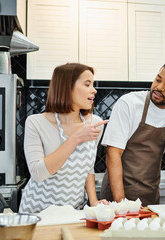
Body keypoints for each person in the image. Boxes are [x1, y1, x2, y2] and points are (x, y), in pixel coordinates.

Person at [19, 63, 108, 213]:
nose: (94, 90)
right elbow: (38, 174)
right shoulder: (36, 123)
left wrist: (94, 202)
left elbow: (88, 168)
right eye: (87, 84)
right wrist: (75, 138)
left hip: (74, 212)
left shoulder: (94, 123)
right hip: (38, 212)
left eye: (93, 84)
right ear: (67, 87)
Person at [100, 61, 165, 206]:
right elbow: (113, 154)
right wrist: (122, 204)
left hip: (150, 195)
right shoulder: (128, 104)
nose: (159, 87)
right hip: (116, 196)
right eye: (158, 80)